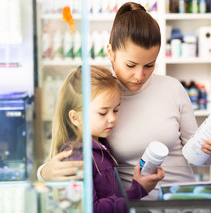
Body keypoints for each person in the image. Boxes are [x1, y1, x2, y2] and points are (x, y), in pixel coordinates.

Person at [37, 2, 211, 195]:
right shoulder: (100, 99)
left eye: (149, 65)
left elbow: (198, 156)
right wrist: (44, 172)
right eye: (130, 65)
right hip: (132, 205)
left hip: (183, 198)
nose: (140, 76)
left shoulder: (172, 89)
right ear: (110, 52)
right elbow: (73, 150)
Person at [38, 65, 164, 212]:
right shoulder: (76, 157)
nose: (112, 119)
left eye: (116, 110)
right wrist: (137, 190)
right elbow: (93, 209)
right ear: (75, 118)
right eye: (103, 113)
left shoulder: (100, 144)